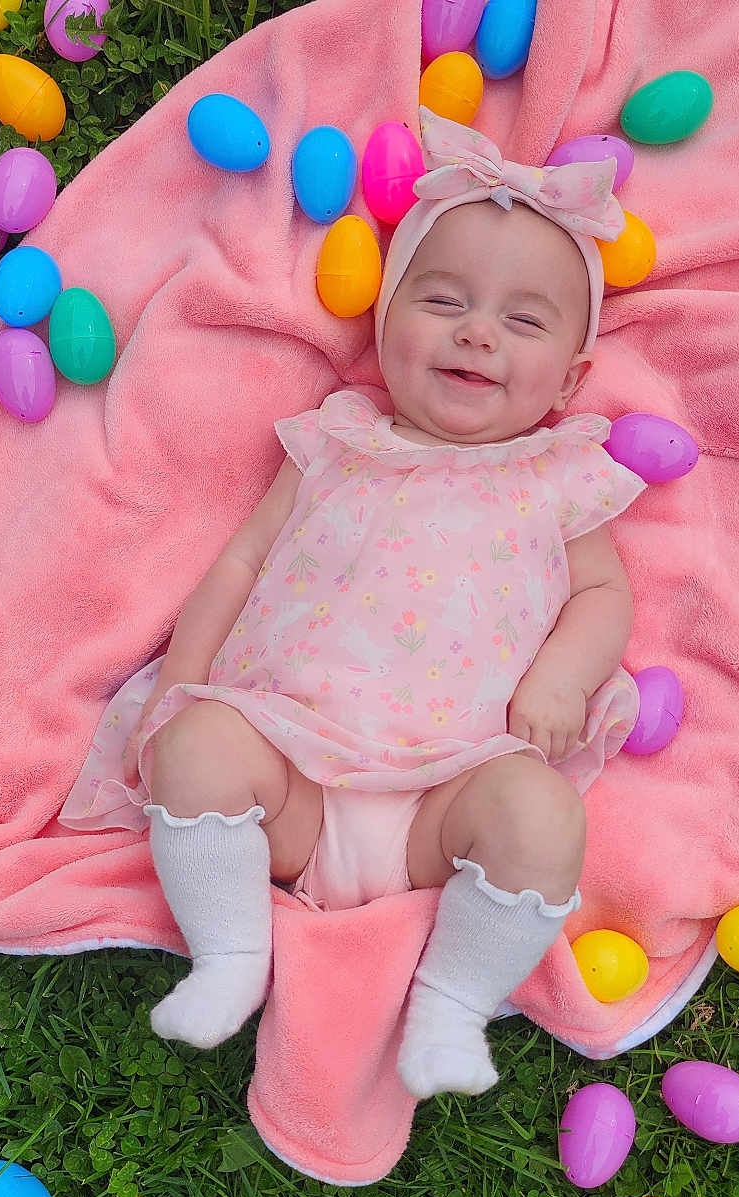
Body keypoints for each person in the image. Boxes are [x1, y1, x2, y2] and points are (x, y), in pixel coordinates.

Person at [59, 108, 646, 1100]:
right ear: (384, 322)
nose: (476, 331)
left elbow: (603, 593)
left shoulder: (556, 474)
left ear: (571, 378)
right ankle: (231, 956)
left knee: (542, 819)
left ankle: (453, 1006)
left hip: (448, 793)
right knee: (198, 748)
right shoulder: (337, 443)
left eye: (524, 320)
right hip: (287, 768)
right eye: (444, 299)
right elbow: (241, 564)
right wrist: (189, 690)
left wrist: (562, 676)